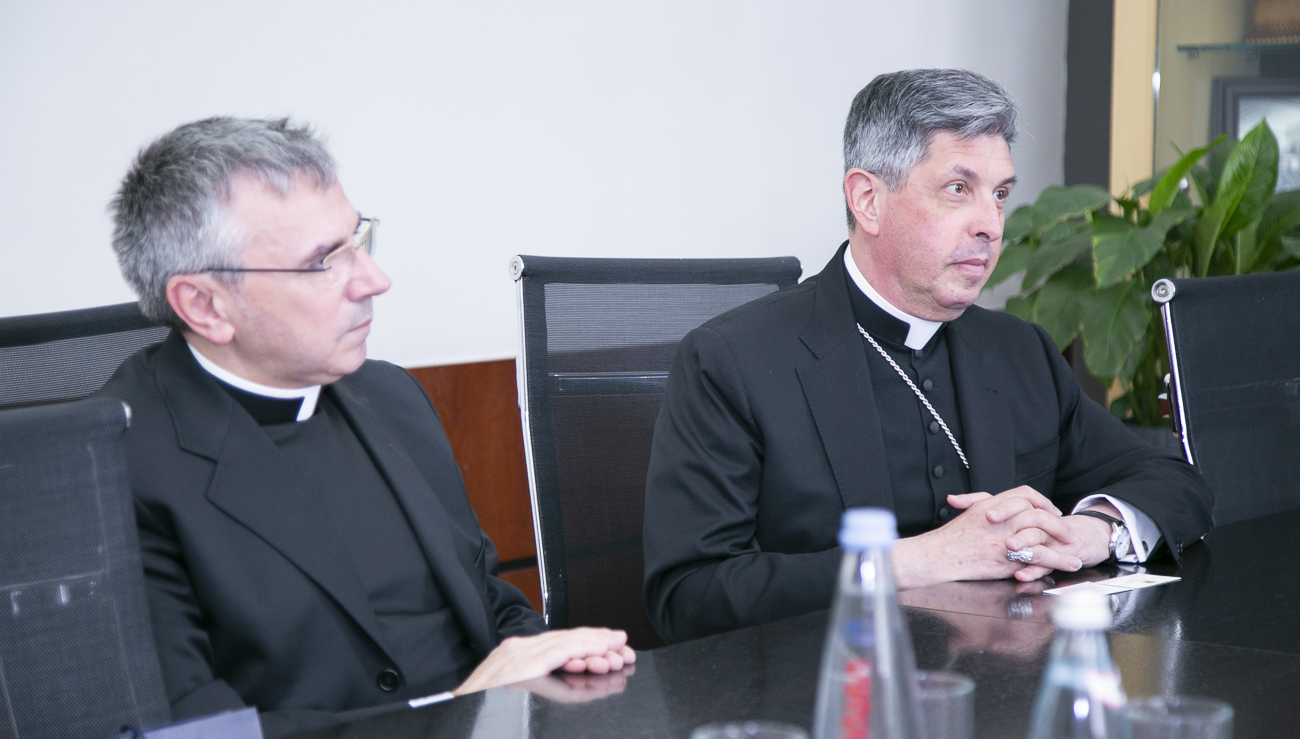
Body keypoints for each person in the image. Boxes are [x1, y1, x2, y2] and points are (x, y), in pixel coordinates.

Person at [96, 117, 633, 734]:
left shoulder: (389, 395)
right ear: (205, 305)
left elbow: (488, 602)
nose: (375, 280)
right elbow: (194, 731)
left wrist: (555, 660)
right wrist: (462, 707)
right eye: (322, 262)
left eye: (358, 240)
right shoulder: (115, 470)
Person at [641, 69, 1213, 644]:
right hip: (828, 681)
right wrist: (922, 559)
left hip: (1004, 678)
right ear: (868, 201)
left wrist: (1092, 532)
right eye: (958, 189)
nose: (991, 225)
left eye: (1000, 194)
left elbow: (1173, 480)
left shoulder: (1018, 350)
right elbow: (690, 596)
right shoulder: (733, 361)